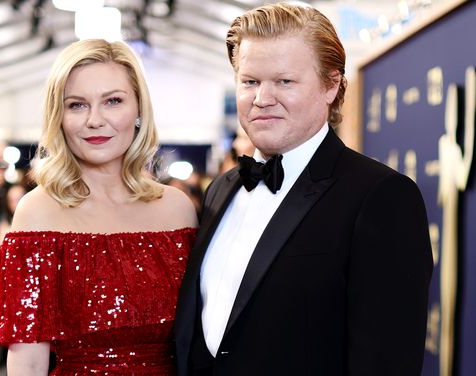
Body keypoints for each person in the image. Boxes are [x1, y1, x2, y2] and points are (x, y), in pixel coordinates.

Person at [174, 3, 433, 375]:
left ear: (331, 85)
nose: (262, 98)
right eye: (250, 81)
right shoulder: (221, 188)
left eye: (284, 81)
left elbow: (386, 361)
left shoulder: (380, 196)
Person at [0, 39, 198, 375]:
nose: (95, 120)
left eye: (113, 101)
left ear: (139, 109)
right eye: (76, 105)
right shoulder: (37, 212)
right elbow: (28, 359)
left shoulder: (177, 209)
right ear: (59, 116)